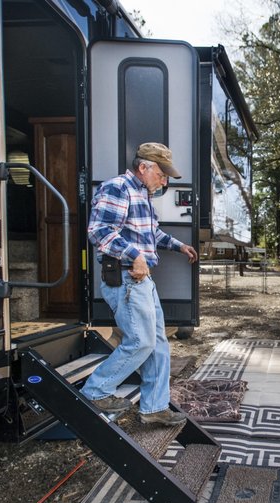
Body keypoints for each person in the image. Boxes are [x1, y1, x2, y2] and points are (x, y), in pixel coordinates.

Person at [81, 142, 198, 426]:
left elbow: (150, 233)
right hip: (124, 277)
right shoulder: (118, 187)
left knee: (158, 345)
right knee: (142, 341)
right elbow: (99, 231)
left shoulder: (142, 194)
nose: (165, 180)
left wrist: (179, 245)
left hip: (141, 280)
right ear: (143, 167)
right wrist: (134, 255)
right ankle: (95, 391)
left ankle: (154, 407)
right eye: (162, 173)